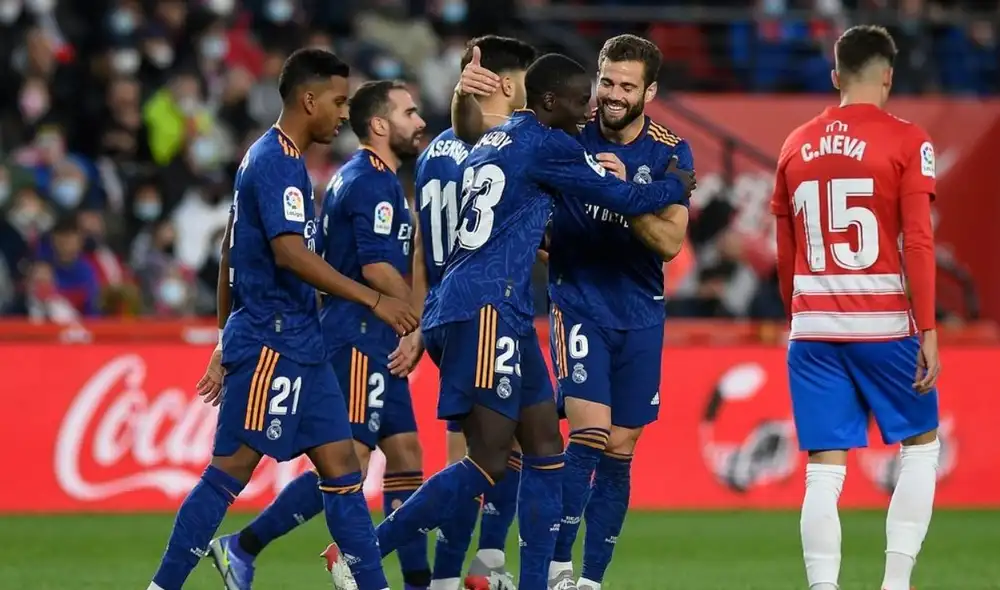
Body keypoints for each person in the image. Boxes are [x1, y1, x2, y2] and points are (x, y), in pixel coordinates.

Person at [373, 53, 695, 590]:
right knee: (491, 459)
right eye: (582, 99)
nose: (589, 109)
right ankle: (369, 552)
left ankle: (533, 579)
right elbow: (621, 195)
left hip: (505, 310)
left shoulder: (503, 138)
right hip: (487, 307)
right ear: (550, 102)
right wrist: (676, 185)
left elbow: (472, 130)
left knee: (545, 444)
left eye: (616, 88)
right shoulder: (554, 143)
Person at [147, 48, 418, 590]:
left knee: (343, 470)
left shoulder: (283, 161)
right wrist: (372, 300)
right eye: (339, 102)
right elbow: (290, 253)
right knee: (230, 472)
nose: (344, 115)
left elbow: (229, 249)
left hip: (304, 342)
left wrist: (224, 338)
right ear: (308, 98)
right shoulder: (274, 160)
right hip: (272, 338)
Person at [770, 25, 941, 590]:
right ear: (888, 77)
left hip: (812, 326)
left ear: (834, 76)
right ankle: (895, 584)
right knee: (920, 446)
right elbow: (917, 240)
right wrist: (929, 328)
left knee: (823, 470)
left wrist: (798, 319)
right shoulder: (907, 139)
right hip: (885, 322)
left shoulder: (795, 143)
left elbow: (786, 254)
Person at [408, 35, 537, 590]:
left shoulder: (433, 153)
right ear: (505, 82)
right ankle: (466, 570)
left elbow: (420, 242)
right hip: (480, 310)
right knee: (483, 460)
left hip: (442, 310)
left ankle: (475, 570)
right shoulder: (497, 149)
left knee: (488, 452)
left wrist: (417, 322)